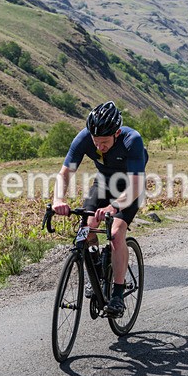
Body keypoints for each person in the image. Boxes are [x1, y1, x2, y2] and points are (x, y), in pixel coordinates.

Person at [52, 101, 147, 317]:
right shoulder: (85, 138)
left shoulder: (132, 140)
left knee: (115, 233)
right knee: (87, 227)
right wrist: (58, 199)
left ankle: (118, 294)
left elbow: (135, 186)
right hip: (103, 183)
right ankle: (96, 271)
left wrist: (114, 207)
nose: (99, 147)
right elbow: (64, 174)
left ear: (117, 133)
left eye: (104, 142)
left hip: (129, 187)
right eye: (96, 141)